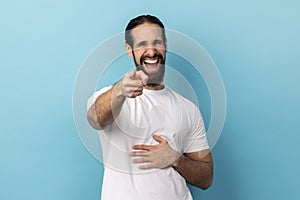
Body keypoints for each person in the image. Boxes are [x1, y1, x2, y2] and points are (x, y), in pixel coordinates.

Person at [87, 15, 213, 200]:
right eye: (142, 44)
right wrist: (120, 90)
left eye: (157, 42)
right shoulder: (111, 97)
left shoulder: (187, 108)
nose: (151, 51)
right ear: (129, 50)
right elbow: (95, 119)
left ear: (166, 45)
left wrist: (176, 159)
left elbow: (206, 178)